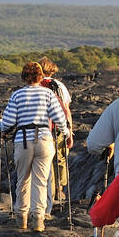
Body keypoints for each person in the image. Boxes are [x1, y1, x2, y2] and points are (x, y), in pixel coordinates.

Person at [0, 61, 71, 232]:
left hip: (23, 141)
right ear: (39, 76)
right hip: (44, 139)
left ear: (24, 77)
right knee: (41, 180)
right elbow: (59, 118)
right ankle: (38, 219)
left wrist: (1, 128)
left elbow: (8, 122)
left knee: (23, 179)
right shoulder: (47, 94)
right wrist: (66, 133)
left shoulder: (17, 95)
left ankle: (21, 218)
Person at [37, 58, 74, 220]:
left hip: (41, 129)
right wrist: (69, 131)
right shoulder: (59, 86)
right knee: (60, 158)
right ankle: (60, 188)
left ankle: (47, 195)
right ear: (52, 70)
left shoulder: (35, 86)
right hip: (59, 127)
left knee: (45, 162)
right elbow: (66, 109)